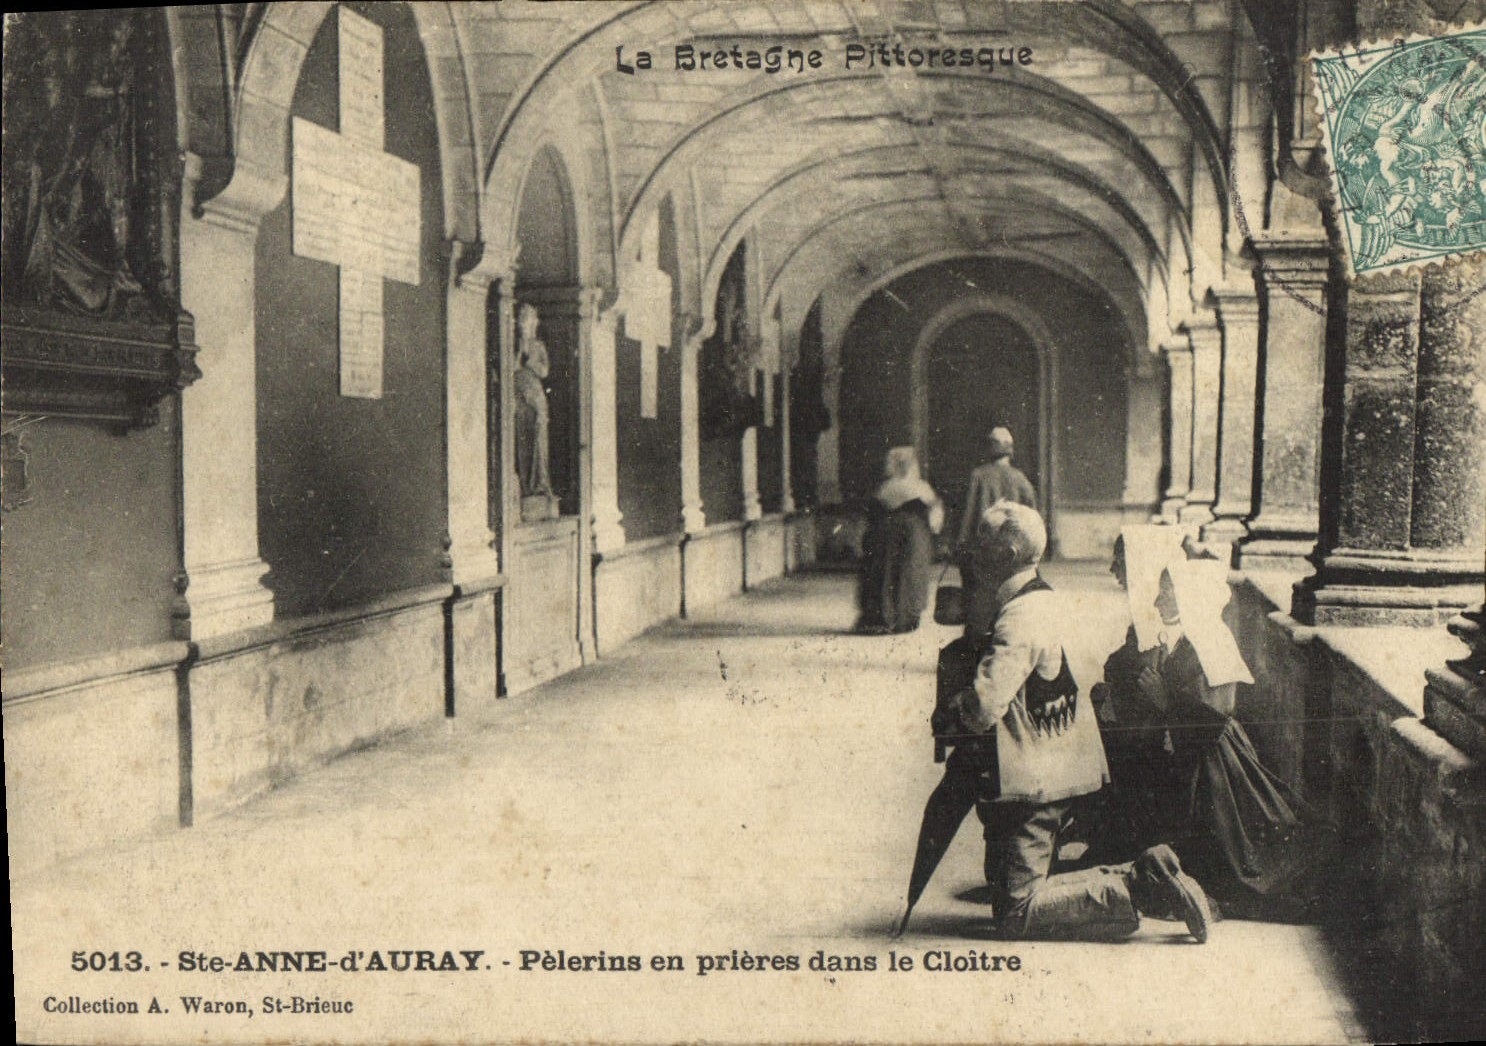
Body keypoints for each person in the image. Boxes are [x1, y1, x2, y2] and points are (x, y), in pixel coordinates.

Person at [927, 502, 1212, 942]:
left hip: (1034, 786)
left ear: (1007, 554)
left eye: (982, 541)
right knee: (1007, 886)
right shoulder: (1045, 599)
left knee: (1015, 913)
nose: (973, 551)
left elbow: (981, 710)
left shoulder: (1020, 617)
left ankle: (1139, 881)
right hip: (1058, 770)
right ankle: (1144, 870)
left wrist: (952, 707)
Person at [1128, 558, 1331, 917]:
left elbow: (1211, 720)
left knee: (1233, 855)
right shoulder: (1193, 638)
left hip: (1214, 762)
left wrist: (1165, 701)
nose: (1158, 602)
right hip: (1198, 755)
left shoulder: (1211, 642)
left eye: (1166, 593)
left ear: (1189, 595)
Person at [856, 447, 944, 634]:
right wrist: (933, 530)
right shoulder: (920, 487)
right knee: (910, 573)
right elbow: (934, 515)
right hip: (913, 535)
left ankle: (884, 615)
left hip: (886, 535)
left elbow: (873, 515)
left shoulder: (886, 487)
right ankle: (907, 617)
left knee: (886, 572)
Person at [955, 428, 1037, 608]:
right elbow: (1032, 514)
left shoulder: (978, 475)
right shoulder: (1020, 478)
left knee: (979, 598)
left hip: (983, 546)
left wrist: (961, 544)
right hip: (1011, 548)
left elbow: (968, 513)